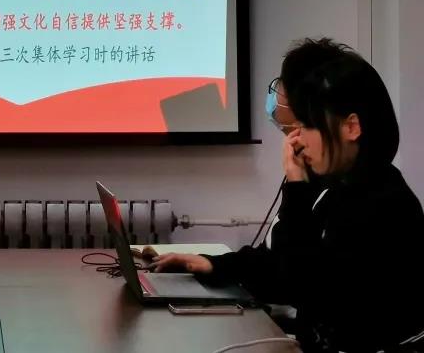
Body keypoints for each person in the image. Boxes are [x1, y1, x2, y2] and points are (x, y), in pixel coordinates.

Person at [154, 39, 424, 352]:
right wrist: (212, 265)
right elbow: (278, 264)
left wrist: (297, 188)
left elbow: (298, 282)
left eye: (305, 125)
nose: (295, 140)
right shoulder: (338, 187)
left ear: (351, 127)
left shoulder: (382, 204)